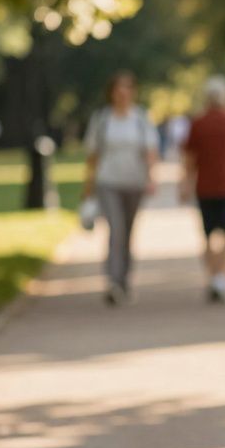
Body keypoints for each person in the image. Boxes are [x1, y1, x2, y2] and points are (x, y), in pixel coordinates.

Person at [82, 71, 159, 305]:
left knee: (127, 232)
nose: (123, 92)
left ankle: (125, 278)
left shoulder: (141, 119)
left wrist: (151, 177)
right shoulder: (103, 119)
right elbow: (93, 156)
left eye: (127, 88)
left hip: (134, 182)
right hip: (108, 182)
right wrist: (88, 187)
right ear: (112, 92)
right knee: (116, 231)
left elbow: (150, 152)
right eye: (119, 88)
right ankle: (113, 281)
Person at [180, 75, 225, 303]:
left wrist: (185, 185)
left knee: (208, 235)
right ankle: (222, 277)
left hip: (205, 187)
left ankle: (213, 277)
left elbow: (189, 160)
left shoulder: (198, 123)